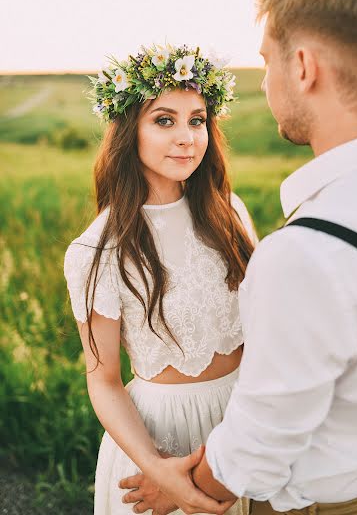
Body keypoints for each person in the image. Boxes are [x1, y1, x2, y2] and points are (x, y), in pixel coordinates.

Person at [120, 0, 357, 515]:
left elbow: (260, 443)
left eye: (266, 62)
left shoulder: (303, 254)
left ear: (303, 67)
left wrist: (176, 485)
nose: (266, 80)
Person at [64, 43, 258, 515]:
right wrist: (157, 468)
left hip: (242, 421)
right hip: (161, 435)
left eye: (197, 120)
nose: (187, 137)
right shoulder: (97, 249)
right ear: (130, 131)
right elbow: (104, 381)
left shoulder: (228, 212)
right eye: (164, 120)